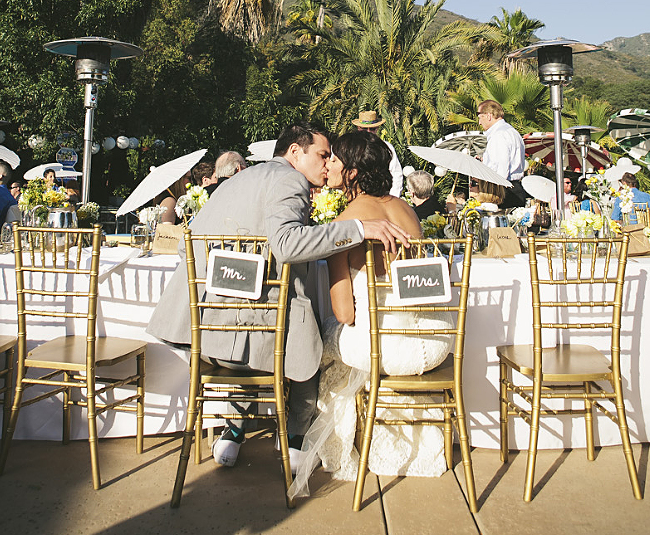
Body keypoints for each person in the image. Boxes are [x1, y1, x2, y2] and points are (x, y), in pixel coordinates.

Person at [147, 122, 409, 470]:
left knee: (280, 319)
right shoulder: (291, 180)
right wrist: (357, 229)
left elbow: (186, 245)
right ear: (295, 152)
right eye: (322, 154)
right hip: (256, 330)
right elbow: (286, 245)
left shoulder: (237, 179)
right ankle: (297, 439)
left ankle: (234, 429)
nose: (327, 162)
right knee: (310, 331)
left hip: (206, 327)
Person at [289, 131, 452, 498]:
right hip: (434, 340)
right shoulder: (407, 210)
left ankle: (314, 439)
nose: (327, 163)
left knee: (318, 337)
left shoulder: (345, 224)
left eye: (334, 159)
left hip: (388, 349)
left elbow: (345, 313)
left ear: (352, 172)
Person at [477, 100, 526, 209]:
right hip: (515, 188)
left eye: (480, 117)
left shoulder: (498, 135)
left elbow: (500, 170)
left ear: (488, 116)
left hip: (502, 192)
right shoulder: (512, 132)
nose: (479, 123)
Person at [352, 110, 403, 196]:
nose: (368, 132)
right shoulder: (351, 147)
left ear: (377, 129)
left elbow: (396, 174)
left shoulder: (386, 147)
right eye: (364, 129)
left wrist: (393, 197)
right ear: (359, 128)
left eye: (372, 129)